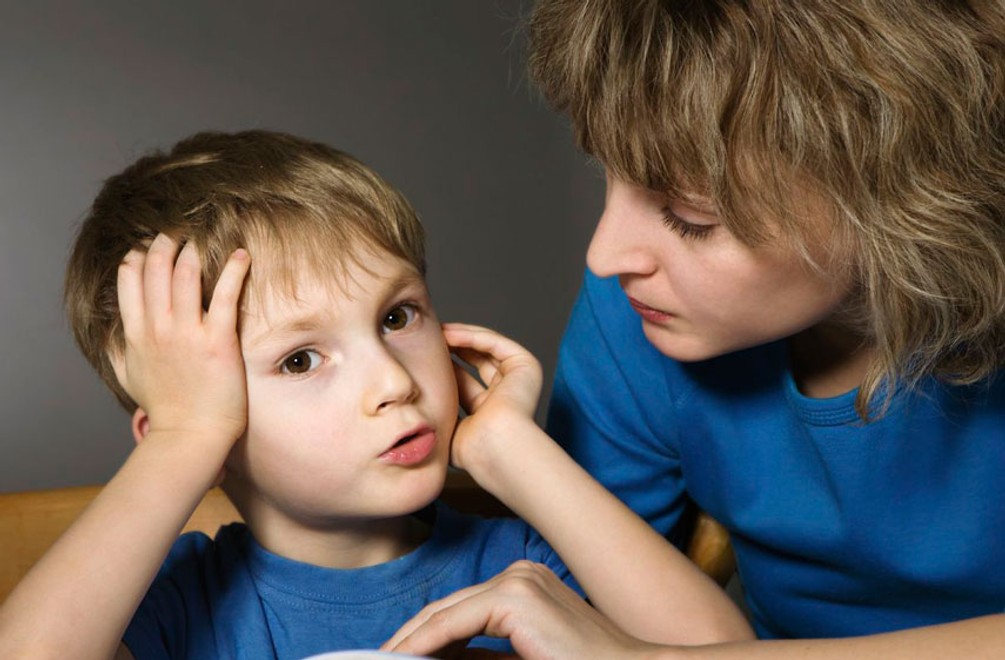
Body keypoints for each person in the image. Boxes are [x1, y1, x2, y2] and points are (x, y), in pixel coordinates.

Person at [384, 0, 1005, 657]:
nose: (604, 257)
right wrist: (503, 449)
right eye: (609, 176)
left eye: (688, 216)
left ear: (903, 194)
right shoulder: (634, 321)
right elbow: (583, 614)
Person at [0, 130, 750, 659]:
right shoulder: (184, 607)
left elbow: (720, 656)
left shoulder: (522, 565)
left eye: (396, 317)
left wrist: (510, 449)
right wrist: (184, 438)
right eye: (299, 360)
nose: (393, 382)